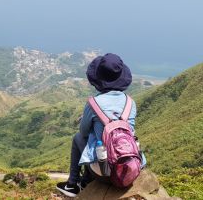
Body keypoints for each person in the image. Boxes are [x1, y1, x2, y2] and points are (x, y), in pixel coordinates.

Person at [56, 53, 143, 197]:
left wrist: (93, 121)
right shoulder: (130, 103)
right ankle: (85, 181)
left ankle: (72, 184)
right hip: (129, 168)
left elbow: (83, 133)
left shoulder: (93, 103)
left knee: (78, 138)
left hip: (104, 172)